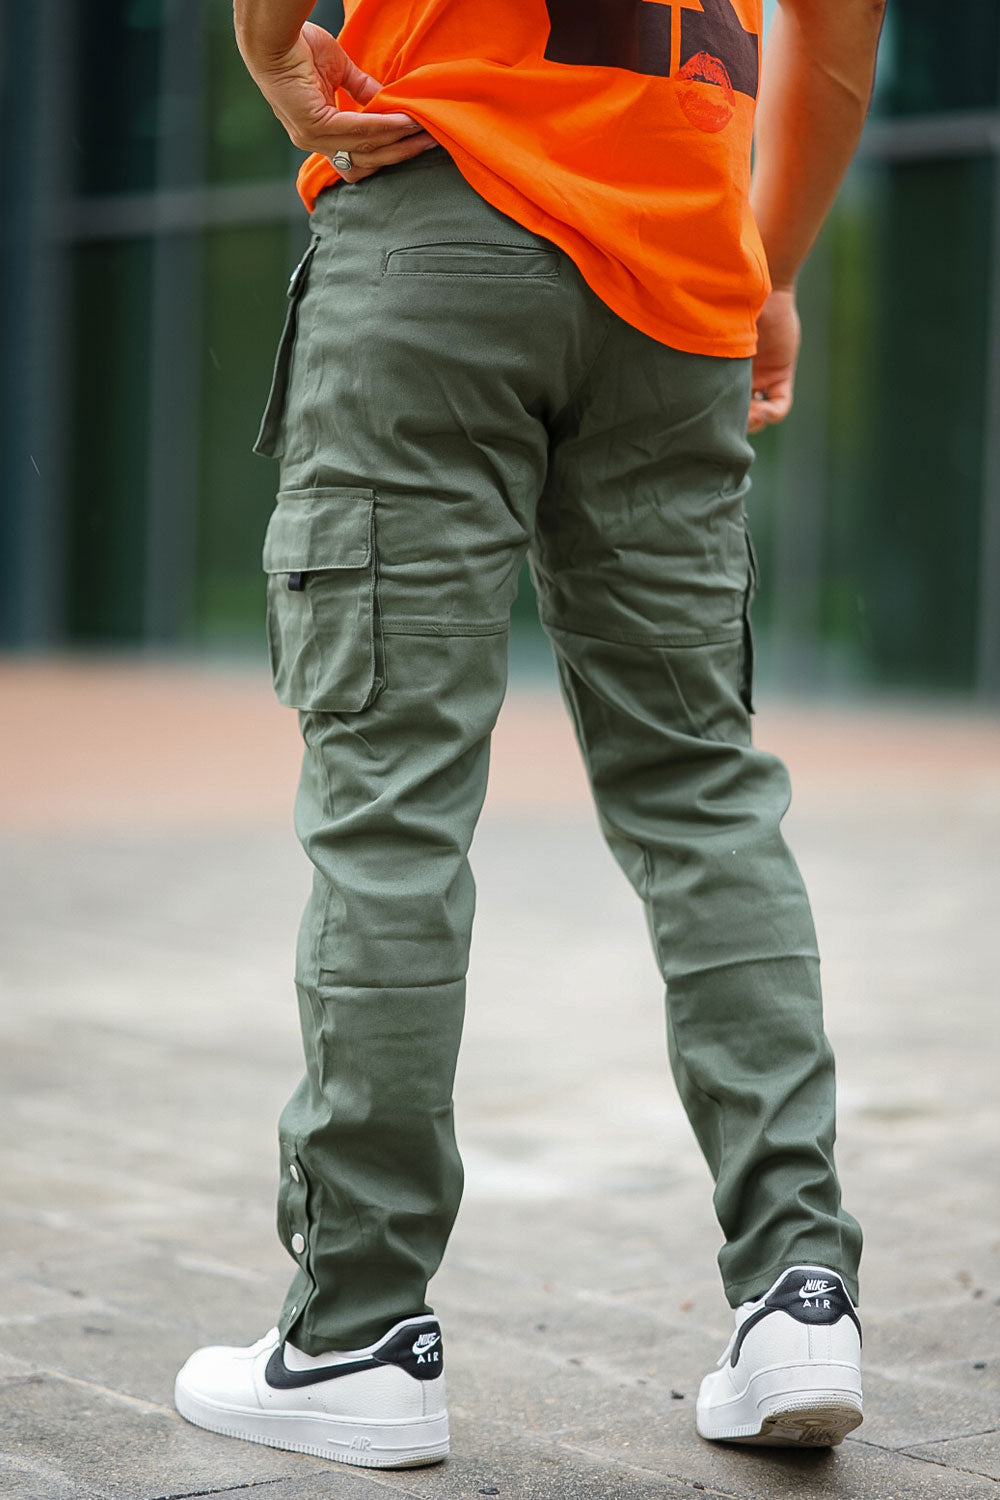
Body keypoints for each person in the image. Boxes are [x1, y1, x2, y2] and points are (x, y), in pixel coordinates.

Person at [174, 0, 885, 1468]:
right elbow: (842, 24)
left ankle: (358, 1332)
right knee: (704, 795)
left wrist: (267, 46)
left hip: (441, 215)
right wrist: (769, 264)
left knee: (392, 799)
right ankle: (798, 1296)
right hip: (680, 270)